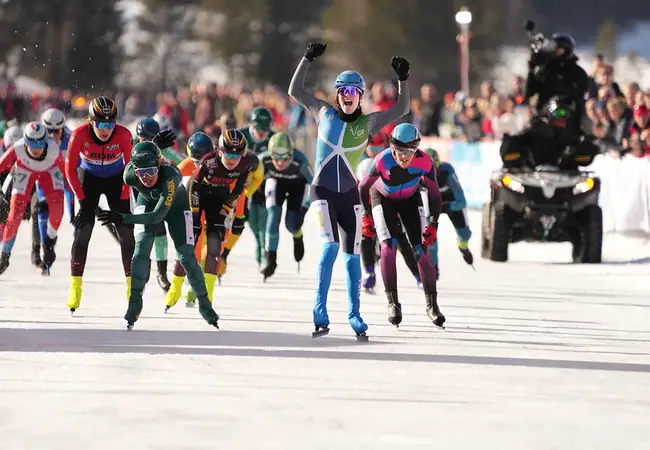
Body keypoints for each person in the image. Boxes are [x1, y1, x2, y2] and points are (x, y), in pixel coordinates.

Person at [288, 41, 411, 340]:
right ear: (337, 94)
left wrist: (403, 80)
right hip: (322, 192)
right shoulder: (323, 112)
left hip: (349, 197)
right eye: (343, 91)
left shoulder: (370, 122)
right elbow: (295, 91)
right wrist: (306, 59)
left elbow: (403, 108)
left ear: (360, 96)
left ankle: (355, 315)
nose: (347, 96)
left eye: (353, 92)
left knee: (352, 256)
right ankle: (320, 311)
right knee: (330, 247)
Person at [96, 133, 220, 330]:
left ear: (159, 166)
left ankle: (205, 305)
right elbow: (138, 159)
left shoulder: (171, 176)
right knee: (140, 252)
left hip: (177, 208)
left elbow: (156, 217)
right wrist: (152, 145)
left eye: (151, 171)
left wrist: (123, 217)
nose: (146, 178)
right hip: (147, 203)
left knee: (187, 257)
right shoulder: (129, 176)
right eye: (141, 173)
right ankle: (134, 303)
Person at [358, 124, 445, 328]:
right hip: (383, 198)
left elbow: (435, 196)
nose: (404, 157)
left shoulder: (425, 162)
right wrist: (366, 215)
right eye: (399, 151)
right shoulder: (382, 160)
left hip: (410, 200)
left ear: (416, 149)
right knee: (388, 248)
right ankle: (393, 303)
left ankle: (432, 306)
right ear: (392, 148)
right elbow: (363, 187)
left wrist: (434, 223)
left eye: (409, 151)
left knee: (421, 250)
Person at [164, 129, 260, 311]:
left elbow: (239, 191)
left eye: (236, 156)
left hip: (219, 202)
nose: (232, 160)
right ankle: (175, 287)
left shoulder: (244, 165)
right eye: (228, 155)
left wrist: (234, 214)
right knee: (191, 245)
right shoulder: (205, 163)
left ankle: (207, 293)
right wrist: (190, 214)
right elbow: (191, 188)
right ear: (219, 152)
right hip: (197, 199)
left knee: (215, 247)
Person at [64, 96, 135, 313]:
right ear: (91, 121)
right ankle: (75, 286)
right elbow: (69, 170)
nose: (105, 130)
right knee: (83, 231)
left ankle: (132, 287)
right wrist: (82, 200)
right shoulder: (79, 135)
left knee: (126, 233)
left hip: (117, 180)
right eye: (101, 125)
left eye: (110, 125)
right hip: (89, 179)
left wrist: (124, 196)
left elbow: (130, 167)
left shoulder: (124, 135)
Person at [355, 135, 422, 292]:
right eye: (372, 144)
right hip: (369, 206)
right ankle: (369, 272)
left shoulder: (388, 161)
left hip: (386, 204)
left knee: (401, 241)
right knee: (367, 237)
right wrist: (363, 213)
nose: (375, 148)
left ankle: (419, 276)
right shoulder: (361, 164)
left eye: (379, 144)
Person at [0, 122, 64, 276]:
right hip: (25, 173)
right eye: (31, 144)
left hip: (49, 173)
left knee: (57, 206)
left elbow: (67, 173)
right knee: (15, 214)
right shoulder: (18, 148)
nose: (36, 148)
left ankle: (49, 241)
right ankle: (4, 256)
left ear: (45, 141)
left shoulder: (54, 149)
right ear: (24, 142)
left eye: (40, 144)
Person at [133, 116, 185, 292]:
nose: (148, 144)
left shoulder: (162, 147)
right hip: (138, 193)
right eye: (144, 140)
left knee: (160, 230)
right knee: (141, 232)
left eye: (151, 140)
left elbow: (184, 162)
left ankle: (161, 273)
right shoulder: (131, 145)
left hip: (157, 191)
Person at [258, 132, 312, 280]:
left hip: (298, 187)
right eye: (276, 158)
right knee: (273, 218)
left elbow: (313, 184)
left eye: (285, 158)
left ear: (292, 154)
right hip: (276, 184)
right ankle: (271, 261)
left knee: (292, 224)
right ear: (270, 154)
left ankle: (297, 235)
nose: (280, 163)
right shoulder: (263, 159)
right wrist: (257, 192)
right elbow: (251, 176)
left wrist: (305, 207)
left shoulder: (300, 160)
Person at [500, 96, 599, 170]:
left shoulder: (573, 135)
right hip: (532, 177)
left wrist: (583, 151)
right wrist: (512, 146)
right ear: (549, 114)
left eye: (565, 114)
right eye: (558, 113)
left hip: (564, 180)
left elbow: (586, 153)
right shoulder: (535, 130)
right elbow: (513, 146)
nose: (561, 118)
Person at [421, 148, 473, 278]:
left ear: (438, 165)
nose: (429, 174)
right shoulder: (418, 177)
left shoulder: (447, 172)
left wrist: (450, 206)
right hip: (432, 205)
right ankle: (434, 267)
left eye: (432, 169)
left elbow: (462, 201)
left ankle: (463, 245)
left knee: (465, 234)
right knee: (429, 237)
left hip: (451, 202)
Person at [525, 32, 589, 135]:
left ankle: (559, 135)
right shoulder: (544, 70)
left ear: (566, 50)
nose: (553, 51)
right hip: (544, 114)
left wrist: (553, 78)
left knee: (558, 107)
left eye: (557, 48)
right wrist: (532, 70)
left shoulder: (578, 73)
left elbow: (577, 95)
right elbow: (529, 93)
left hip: (565, 114)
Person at [238, 106, 275, 267]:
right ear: (251, 125)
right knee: (251, 219)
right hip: (244, 184)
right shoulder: (241, 136)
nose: (261, 132)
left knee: (264, 218)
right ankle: (258, 242)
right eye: (258, 128)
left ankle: (263, 250)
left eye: (264, 129)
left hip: (263, 183)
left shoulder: (273, 138)